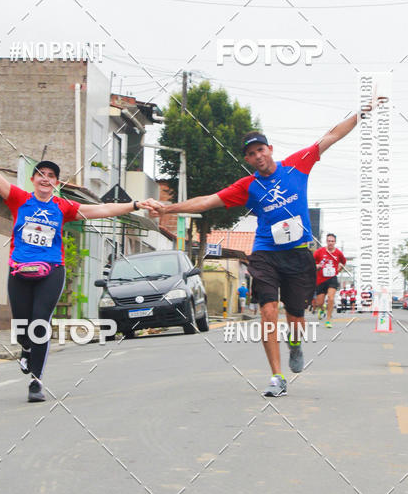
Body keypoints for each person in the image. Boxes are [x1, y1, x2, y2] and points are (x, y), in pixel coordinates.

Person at [155, 100, 383, 397]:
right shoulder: (247, 186)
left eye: (260, 150)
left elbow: (332, 135)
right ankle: (277, 376)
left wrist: (361, 113)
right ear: (248, 159)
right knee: (268, 311)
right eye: (251, 154)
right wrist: (168, 208)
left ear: (270, 149)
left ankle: (296, 343)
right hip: (265, 253)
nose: (257, 156)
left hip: (298, 253)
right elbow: (207, 201)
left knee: (296, 318)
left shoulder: (297, 165)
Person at [0, 123, 160, 402]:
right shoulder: (18, 200)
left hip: (52, 271)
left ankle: (36, 382)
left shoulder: (63, 208)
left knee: (40, 322)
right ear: (34, 180)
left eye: (51, 176)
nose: (46, 179)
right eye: (41, 174)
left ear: (56, 183)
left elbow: (103, 209)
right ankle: (25, 348)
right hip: (19, 271)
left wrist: (135, 205)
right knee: (23, 327)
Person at [313, 233, 346, 328]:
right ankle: (322, 308)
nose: (330, 243)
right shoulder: (319, 252)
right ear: (326, 241)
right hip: (320, 280)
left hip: (332, 278)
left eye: (332, 241)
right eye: (329, 241)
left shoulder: (338, 253)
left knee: (331, 298)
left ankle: (328, 320)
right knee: (319, 302)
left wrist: (339, 269)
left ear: (335, 242)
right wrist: (317, 266)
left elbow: (343, 262)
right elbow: (311, 262)